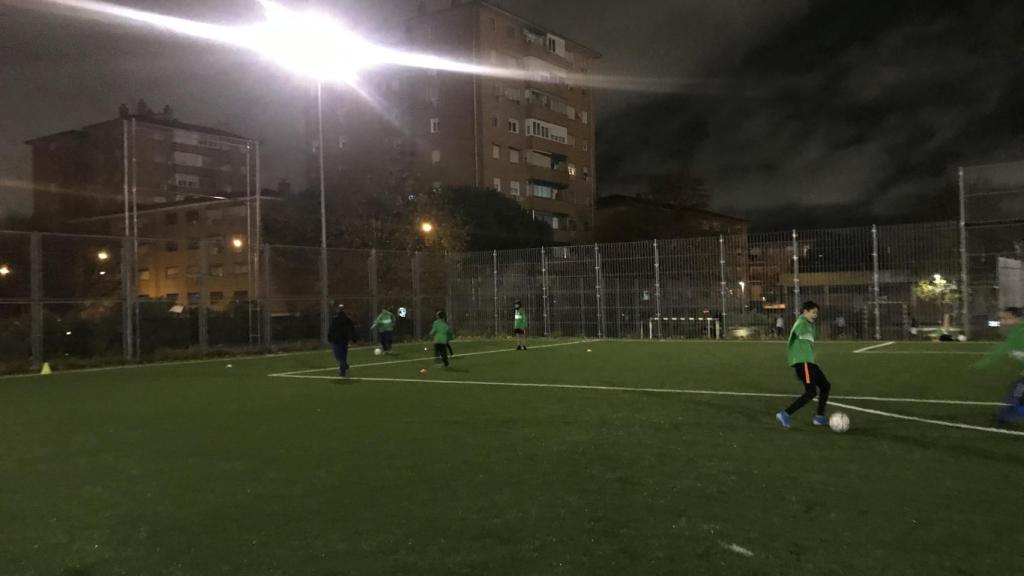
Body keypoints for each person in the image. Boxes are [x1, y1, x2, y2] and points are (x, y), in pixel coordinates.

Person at [776, 301, 832, 428]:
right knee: (811, 392)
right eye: (813, 312)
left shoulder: (810, 325)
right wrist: (798, 366)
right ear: (805, 311)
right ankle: (785, 414)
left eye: (817, 313)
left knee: (825, 385)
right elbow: (796, 333)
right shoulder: (801, 323)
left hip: (808, 362)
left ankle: (819, 417)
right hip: (803, 362)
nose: (815, 315)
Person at [976, 307, 1024, 426]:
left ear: (1018, 318)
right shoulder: (1016, 333)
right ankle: (1005, 417)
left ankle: (1004, 418)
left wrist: (981, 365)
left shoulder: (1020, 333)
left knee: (1017, 392)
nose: (1003, 322)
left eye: (1006, 319)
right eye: (1001, 319)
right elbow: (1002, 350)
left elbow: (1000, 351)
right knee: (1017, 391)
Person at [327, 304, 357, 377]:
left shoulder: (335, 319)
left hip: (336, 340)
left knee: (338, 356)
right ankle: (342, 372)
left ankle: (345, 366)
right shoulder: (348, 320)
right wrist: (354, 338)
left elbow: (331, 329)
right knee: (343, 355)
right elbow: (352, 330)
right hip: (344, 340)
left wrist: (329, 338)